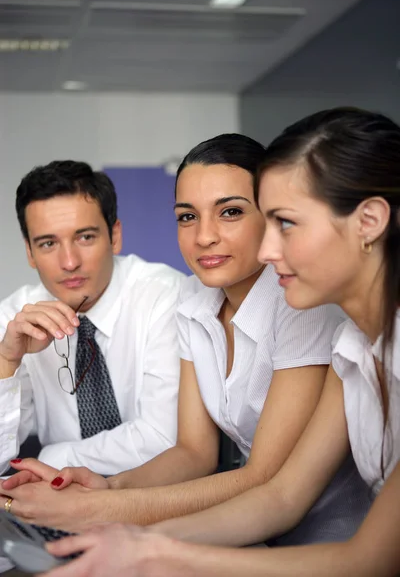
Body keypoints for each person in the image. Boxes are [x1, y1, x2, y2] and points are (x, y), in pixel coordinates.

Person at [38, 107, 400, 577]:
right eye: (187, 217)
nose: (270, 250)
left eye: (284, 222)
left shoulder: (312, 314)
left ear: (369, 221)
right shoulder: (355, 341)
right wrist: (127, 525)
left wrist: (139, 539)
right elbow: (278, 494)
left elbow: (364, 557)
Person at [0, 160, 184, 477]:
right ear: (30, 252)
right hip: (60, 506)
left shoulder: (164, 296)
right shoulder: (14, 318)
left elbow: (164, 440)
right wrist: (6, 361)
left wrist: (53, 460)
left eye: (85, 237)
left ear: (114, 236)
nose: (69, 262)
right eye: (48, 243)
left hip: (157, 495)